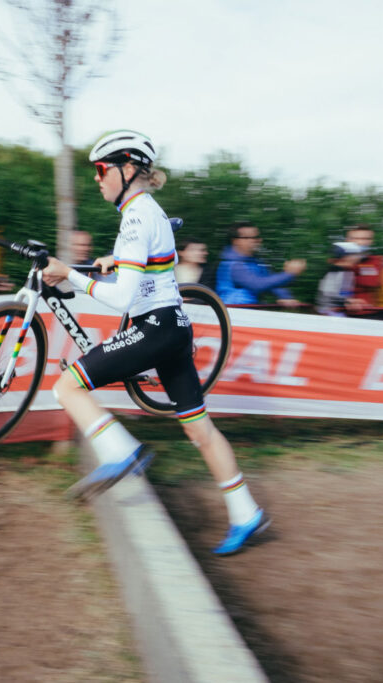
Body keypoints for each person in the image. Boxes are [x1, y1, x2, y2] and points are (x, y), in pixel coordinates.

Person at [41, 129, 269, 556]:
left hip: (155, 328)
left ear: (128, 169)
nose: (97, 179)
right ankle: (246, 513)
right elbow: (148, 267)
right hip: (175, 329)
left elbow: (121, 298)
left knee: (66, 386)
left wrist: (70, 273)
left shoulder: (135, 217)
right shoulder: (148, 211)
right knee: (200, 430)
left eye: (101, 169)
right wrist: (111, 263)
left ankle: (120, 449)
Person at [214, 221, 306, 306]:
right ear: (236, 241)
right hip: (232, 315)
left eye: (257, 237)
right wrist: (289, 273)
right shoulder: (232, 265)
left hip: (249, 313)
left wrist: (285, 297)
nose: (257, 240)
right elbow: (257, 285)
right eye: (251, 237)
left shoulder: (255, 262)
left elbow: (271, 282)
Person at [315, 241, 366, 316]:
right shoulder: (334, 271)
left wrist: (352, 301)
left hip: (340, 312)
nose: (358, 258)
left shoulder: (347, 272)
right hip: (329, 313)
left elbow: (344, 294)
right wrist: (348, 301)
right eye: (355, 255)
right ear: (345, 257)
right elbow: (329, 294)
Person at [346, 224, 383, 308]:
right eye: (356, 239)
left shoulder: (378, 261)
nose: (361, 242)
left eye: (366, 239)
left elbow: (373, 282)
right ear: (348, 240)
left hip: (372, 312)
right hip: (343, 313)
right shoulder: (339, 261)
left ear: (371, 241)